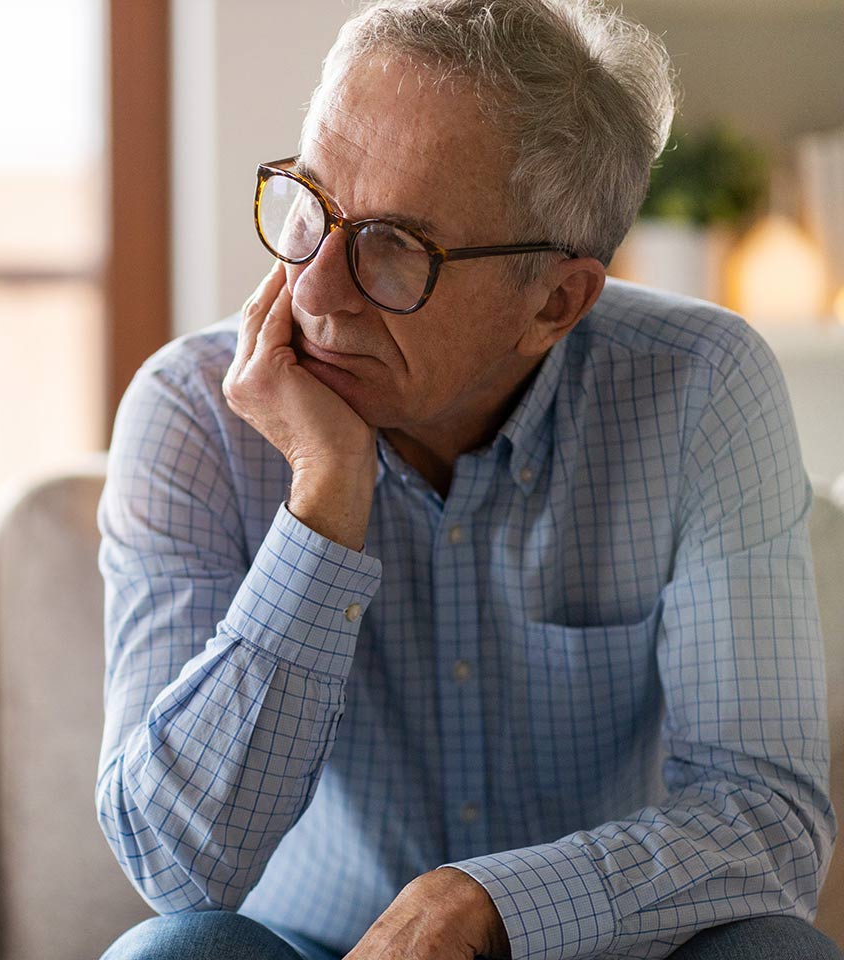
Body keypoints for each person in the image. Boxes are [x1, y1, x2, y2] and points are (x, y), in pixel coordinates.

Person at [93, 1, 841, 958]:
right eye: (309, 201)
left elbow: (768, 823)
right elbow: (177, 870)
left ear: (555, 300)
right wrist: (324, 498)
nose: (313, 290)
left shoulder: (701, 385)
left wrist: (489, 904)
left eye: (395, 247)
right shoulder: (192, 410)